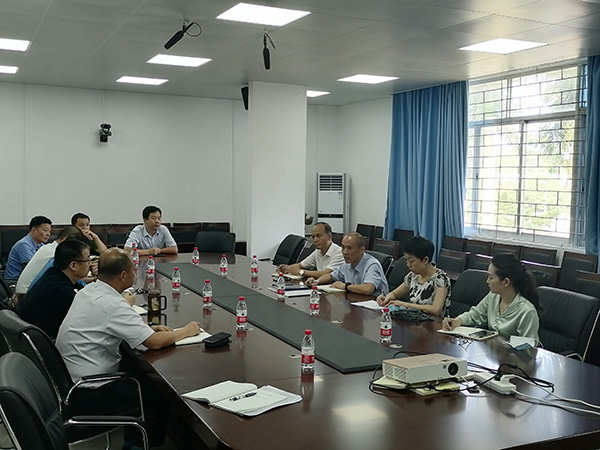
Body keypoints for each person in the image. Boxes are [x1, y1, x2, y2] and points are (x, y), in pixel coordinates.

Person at [56, 248, 200, 448]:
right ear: (123, 275)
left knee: (138, 367)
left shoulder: (89, 291)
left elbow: (109, 325)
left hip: (72, 383)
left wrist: (146, 329)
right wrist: (186, 330)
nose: (135, 274)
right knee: (159, 388)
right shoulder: (113, 304)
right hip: (92, 392)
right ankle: (144, 444)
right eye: (133, 270)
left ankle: (134, 439)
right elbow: (154, 342)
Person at [442, 253, 541, 341]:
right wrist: (456, 321)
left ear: (506, 282)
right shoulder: (493, 296)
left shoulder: (527, 311)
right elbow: (475, 314)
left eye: (491, 277)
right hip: (491, 352)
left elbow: (529, 347)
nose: (487, 281)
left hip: (511, 355)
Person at [18, 240, 91, 338]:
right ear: (73, 265)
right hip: (47, 340)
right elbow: (88, 314)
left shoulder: (54, 273)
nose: (90, 264)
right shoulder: (60, 290)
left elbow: (80, 289)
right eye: (88, 260)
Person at [376, 236, 451, 316]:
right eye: (407, 260)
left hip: (434, 321)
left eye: (411, 261)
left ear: (425, 260)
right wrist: (386, 298)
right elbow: (395, 294)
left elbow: (436, 309)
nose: (408, 264)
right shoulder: (413, 276)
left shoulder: (441, 278)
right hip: (414, 319)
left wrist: (405, 305)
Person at [306, 232, 388, 296]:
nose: (344, 252)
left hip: (375, 307)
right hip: (356, 302)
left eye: (349, 248)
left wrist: (346, 287)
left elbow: (368, 289)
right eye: (343, 247)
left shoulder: (372, 264)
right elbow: (331, 276)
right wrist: (317, 281)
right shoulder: (347, 263)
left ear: (361, 250)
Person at [15, 225, 84, 294]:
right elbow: (67, 277)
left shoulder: (47, 247)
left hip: (25, 291)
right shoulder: (55, 254)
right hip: (26, 293)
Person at [277, 222, 343, 278]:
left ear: (329, 236)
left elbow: (326, 274)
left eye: (319, 236)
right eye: (313, 237)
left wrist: (301, 272)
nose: (315, 240)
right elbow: (300, 265)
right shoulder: (318, 251)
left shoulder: (339, 252)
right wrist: (287, 268)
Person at [5, 216, 52, 280]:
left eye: (49, 231)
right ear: (34, 230)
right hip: (14, 282)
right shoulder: (23, 245)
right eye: (45, 230)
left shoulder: (41, 245)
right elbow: (32, 269)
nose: (48, 234)